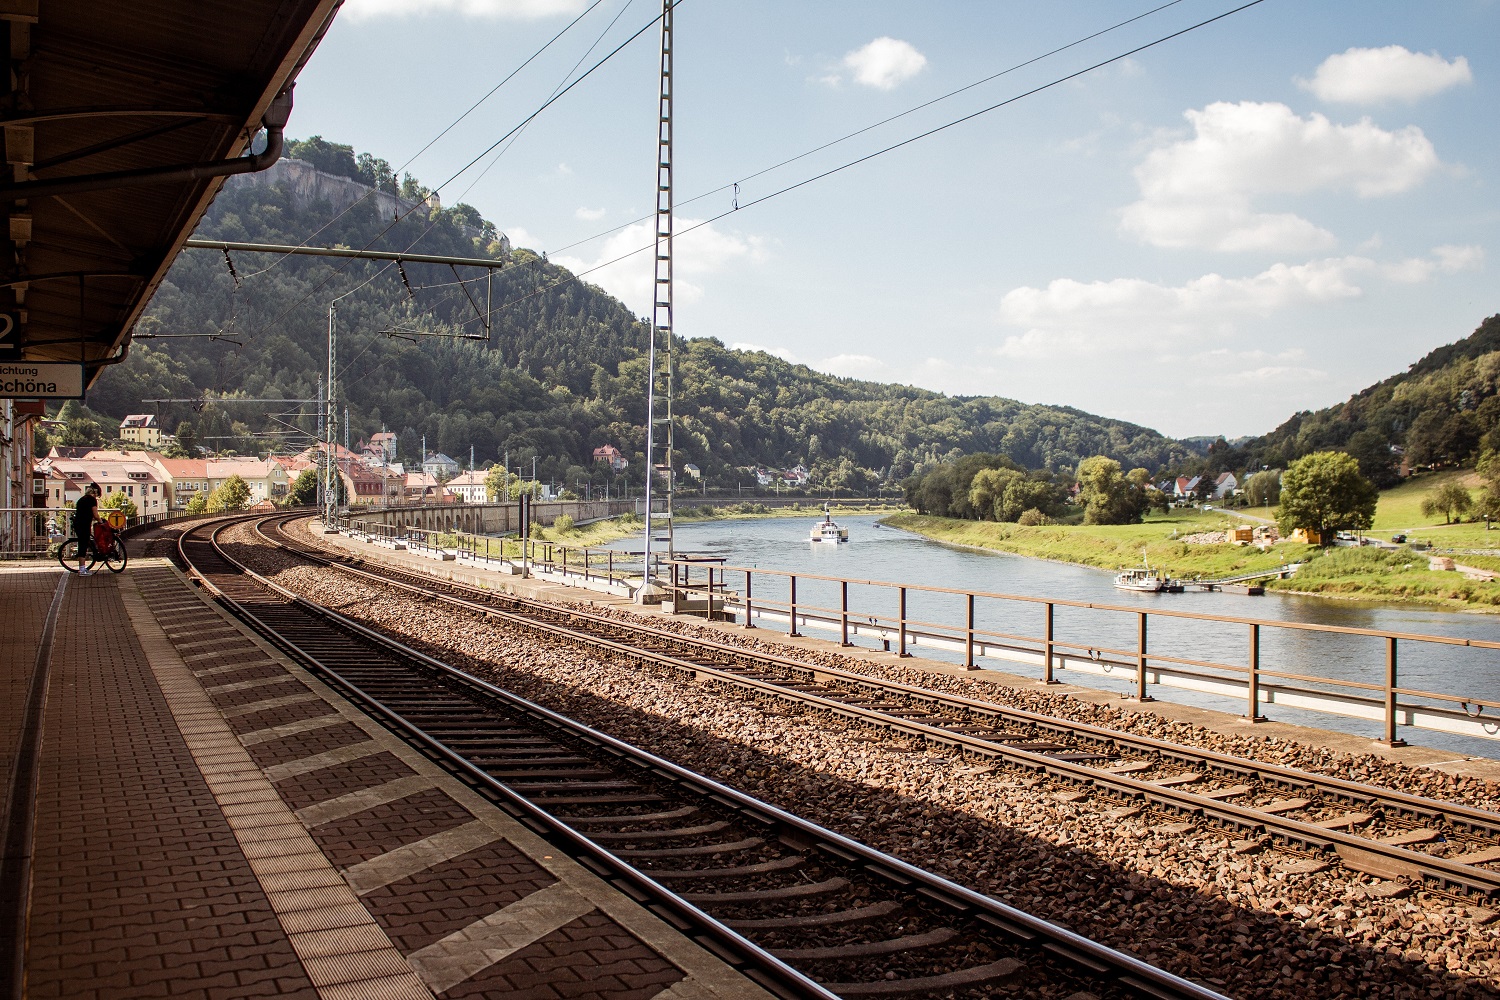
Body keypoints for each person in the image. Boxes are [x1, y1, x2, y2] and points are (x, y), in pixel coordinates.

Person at [73, 483, 101, 576]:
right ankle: (82, 570)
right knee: (83, 545)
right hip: (84, 524)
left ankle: (82, 568)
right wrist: (100, 521)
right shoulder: (92, 500)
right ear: (95, 493)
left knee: (83, 543)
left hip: (78, 523)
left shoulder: (82, 499)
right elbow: (95, 514)